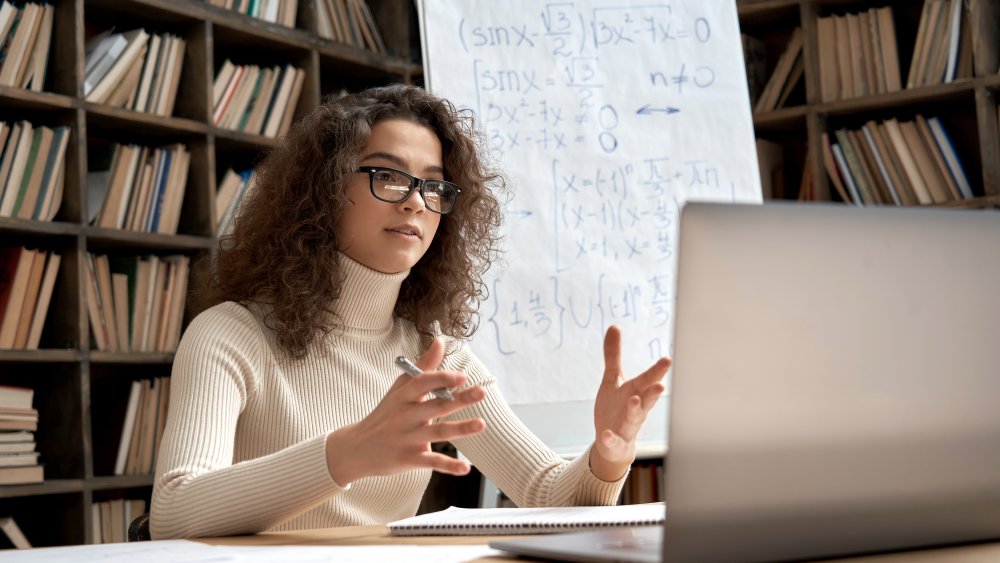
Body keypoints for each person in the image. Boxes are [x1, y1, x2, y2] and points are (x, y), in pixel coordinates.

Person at [150, 84, 670, 539]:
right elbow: (174, 511)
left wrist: (609, 456)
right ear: (325, 189)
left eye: (434, 185)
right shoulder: (229, 334)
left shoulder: (436, 355)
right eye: (389, 176)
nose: (416, 202)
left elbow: (546, 495)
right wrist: (345, 454)